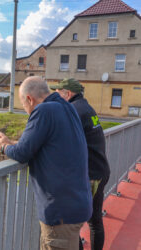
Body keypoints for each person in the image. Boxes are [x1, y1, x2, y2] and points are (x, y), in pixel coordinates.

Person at [0, 76, 92, 250]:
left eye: (24, 106)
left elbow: (22, 153)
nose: (26, 110)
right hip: (77, 203)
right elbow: (36, 143)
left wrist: (3, 148)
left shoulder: (44, 111)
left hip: (61, 213)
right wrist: (11, 143)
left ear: (30, 99)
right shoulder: (66, 107)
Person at [50, 78, 110, 250]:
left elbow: (59, 141)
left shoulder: (74, 111)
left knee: (70, 223)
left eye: (58, 94)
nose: (56, 98)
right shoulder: (87, 108)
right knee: (95, 221)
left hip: (90, 176)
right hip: (100, 170)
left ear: (68, 94)